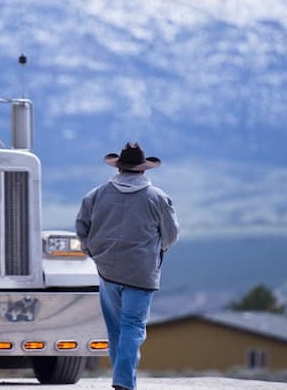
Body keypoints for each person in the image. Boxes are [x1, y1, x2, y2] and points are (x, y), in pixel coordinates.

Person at [76, 142, 179, 390]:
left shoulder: (96, 194)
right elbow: (171, 235)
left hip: (107, 270)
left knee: (115, 329)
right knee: (132, 326)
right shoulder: (158, 198)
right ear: (144, 170)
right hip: (142, 273)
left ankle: (123, 379)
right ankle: (123, 381)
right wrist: (157, 250)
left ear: (119, 168)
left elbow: (82, 228)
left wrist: (92, 251)